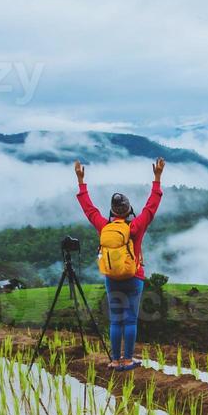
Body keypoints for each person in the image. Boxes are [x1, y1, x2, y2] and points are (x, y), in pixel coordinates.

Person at [75, 157, 165, 370]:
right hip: (134, 276)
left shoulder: (104, 226)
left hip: (112, 277)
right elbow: (151, 208)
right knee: (130, 320)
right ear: (128, 210)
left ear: (113, 212)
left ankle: (115, 360)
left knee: (116, 320)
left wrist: (81, 183)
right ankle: (127, 359)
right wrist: (157, 179)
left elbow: (90, 211)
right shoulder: (136, 227)